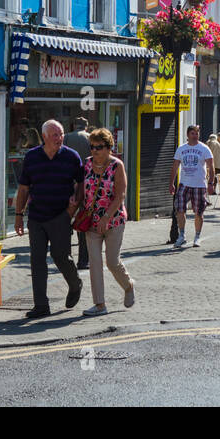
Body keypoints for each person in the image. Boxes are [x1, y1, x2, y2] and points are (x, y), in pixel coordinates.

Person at [14, 120, 84, 319]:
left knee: (61, 256)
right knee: (37, 261)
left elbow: (81, 183)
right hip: (36, 217)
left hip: (61, 215)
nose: (59, 138)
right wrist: (19, 216)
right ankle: (41, 306)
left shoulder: (72, 157)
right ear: (44, 136)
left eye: (61, 134)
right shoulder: (32, 157)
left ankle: (75, 283)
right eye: (55, 135)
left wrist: (73, 208)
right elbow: (24, 189)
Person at [78, 128, 135, 315]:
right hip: (92, 222)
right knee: (94, 262)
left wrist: (106, 216)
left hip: (114, 220)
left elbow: (120, 195)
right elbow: (81, 190)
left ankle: (128, 285)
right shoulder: (86, 165)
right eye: (92, 147)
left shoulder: (117, 166)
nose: (94, 151)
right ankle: (100, 304)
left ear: (109, 147)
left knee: (112, 262)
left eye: (99, 147)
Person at [171, 125, 214, 248]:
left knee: (198, 212)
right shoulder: (181, 149)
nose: (195, 136)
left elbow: (211, 166)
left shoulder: (204, 148)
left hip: (199, 185)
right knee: (180, 209)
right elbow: (175, 167)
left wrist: (211, 183)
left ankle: (197, 236)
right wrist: (171, 184)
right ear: (187, 135)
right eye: (192, 133)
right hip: (184, 184)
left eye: (197, 133)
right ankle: (182, 235)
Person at [64, 118, 93, 269]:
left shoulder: (67, 137)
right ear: (86, 127)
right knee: (84, 219)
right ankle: (83, 260)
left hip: (69, 183)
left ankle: (66, 256)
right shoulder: (90, 138)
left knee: (66, 218)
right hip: (87, 184)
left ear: (74, 125)